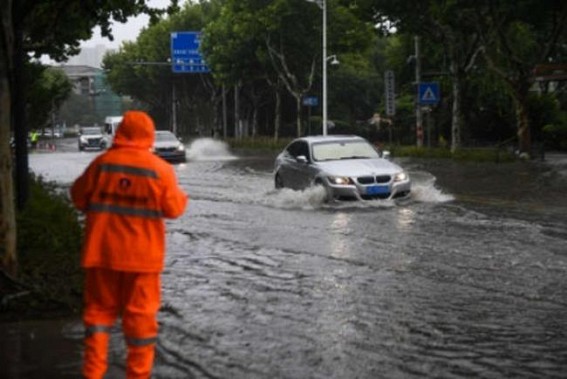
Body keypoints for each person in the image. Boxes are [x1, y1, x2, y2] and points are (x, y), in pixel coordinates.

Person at [70, 111, 188, 378]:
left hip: (102, 256)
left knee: (98, 318)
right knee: (141, 323)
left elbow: (78, 197)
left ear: (121, 132)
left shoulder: (102, 164)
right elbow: (174, 209)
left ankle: (93, 373)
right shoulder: (159, 170)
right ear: (148, 134)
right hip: (143, 261)